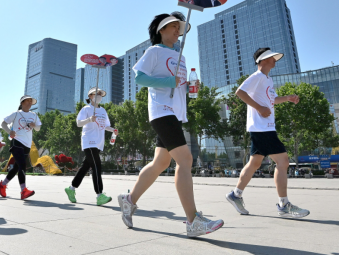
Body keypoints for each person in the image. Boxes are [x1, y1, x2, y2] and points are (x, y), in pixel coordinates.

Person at [117, 13, 225, 238]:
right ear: (161, 30)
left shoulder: (181, 57)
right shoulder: (154, 51)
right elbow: (139, 78)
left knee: (161, 162)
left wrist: (191, 88)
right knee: (185, 159)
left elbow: (180, 86)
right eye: (173, 27)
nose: (178, 31)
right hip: (161, 110)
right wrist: (167, 81)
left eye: (179, 27)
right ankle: (193, 221)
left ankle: (129, 201)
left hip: (174, 113)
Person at [226, 48, 309, 219]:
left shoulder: (268, 80)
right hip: (262, 128)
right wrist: (259, 108)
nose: (274, 60)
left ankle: (236, 194)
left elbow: (272, 100)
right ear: (262, 61)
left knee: (254, 163)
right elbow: (239, 92)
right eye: (271, 57)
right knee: (283, 161)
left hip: (263, 128)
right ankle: (283, 205)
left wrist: (287, 98)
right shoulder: (257, 77)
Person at [65, 88, 118, 206]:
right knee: (96, 166)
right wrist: (89, 119)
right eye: (97, 94)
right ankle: (99, 195)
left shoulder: (103, 111)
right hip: (89, 142)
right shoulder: (86, 109)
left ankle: (71, 188)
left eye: (101, 94)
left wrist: (113, 130)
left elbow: (105, 126)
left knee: (85, 167)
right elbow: (78, 123)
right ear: (90, 96)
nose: (99, 96)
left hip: (99, 143)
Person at [0, 96, 42, 200]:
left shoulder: (34, 115)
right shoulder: (16, 114)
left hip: (27, 144)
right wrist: (9, 132)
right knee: (22, 165)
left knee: (17, 167)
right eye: (27, 101)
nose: (29, 103)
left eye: (31, 102)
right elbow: (3, 124)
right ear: (22, 102)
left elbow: (38, 128)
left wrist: (34, 125)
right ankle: (23, 190)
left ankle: (2, 185)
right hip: (16, 142)